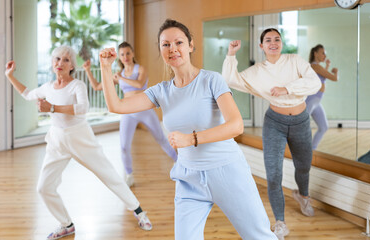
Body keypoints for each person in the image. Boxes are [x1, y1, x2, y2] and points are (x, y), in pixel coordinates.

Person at [99, 19, 277, 240]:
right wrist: (105, 69)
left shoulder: (212, 80)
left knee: (259, 236)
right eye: (165, 44)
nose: (172, 48)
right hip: (188, 178)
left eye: (178, 42)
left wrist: (191, 139)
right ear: (160, 50)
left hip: (227, 172)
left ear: (190, 45)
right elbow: (117, 106)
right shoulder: (160, 91)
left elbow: (235, 125)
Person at [5, 46, 152, 240]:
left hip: (80, 138)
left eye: (66, 60)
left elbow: (83, 108)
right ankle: (66, 224)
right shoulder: (47, 87)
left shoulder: (77, 86)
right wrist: (10, 76)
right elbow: (27, 94)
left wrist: (52, 108)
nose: (60, 63)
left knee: (108, 174)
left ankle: (139, 211)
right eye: (57, 58)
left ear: (72, 65)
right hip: (57, 140)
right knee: (44, 187)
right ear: (52, 63)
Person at [222, 29, 321, 240]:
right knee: (274, 174)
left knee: (303, 166)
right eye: (268, 40)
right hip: (274, 123)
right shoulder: (258, 71)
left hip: (301, 121)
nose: (273, 43)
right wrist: (231, 55)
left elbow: (315, 83)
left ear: (281, 43)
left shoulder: (295, 60)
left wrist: (287, 88)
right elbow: (231, 79)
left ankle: (302, 195)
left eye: (277, 39)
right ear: (262, 46)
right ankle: (280, 222)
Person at [82, 42, 177, 187]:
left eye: (127, 53)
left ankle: (180, 164)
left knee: (161, 139)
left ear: (132, 54)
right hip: (127, 113)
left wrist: (120, 78)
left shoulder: (140, 69)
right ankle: (129, 174)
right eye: (122, 54)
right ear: (119, 57)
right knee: (124, 146)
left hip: (145, 111)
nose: (125, 57)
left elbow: (139, 84)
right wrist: (88, 70)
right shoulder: (118, 75)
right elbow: (97, 87)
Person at [306, 44, 338, 150]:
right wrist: (336, 72)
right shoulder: (314, 66)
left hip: (317, 102)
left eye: (325, 53)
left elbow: (322, 76)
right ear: (315, 54)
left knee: (323, 127)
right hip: (310, 100)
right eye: (323, 53)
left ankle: (312, 149)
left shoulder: (317, 67)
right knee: (301, 127)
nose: (325, 55)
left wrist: (327, 66)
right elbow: (333, 78)